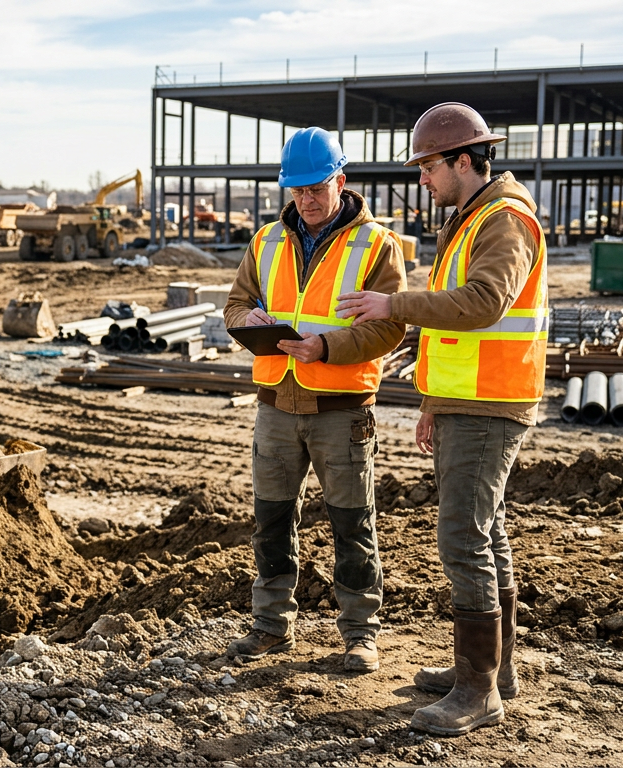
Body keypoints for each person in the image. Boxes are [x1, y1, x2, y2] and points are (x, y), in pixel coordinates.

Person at [336, 102, 548, 736]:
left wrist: (393, 304)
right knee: (488, 532)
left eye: (428, 167)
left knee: (463, 538)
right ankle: (496, 672)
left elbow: (483, 303)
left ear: (462, 160)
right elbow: (455, 322)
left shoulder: (504, 220)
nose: (422, 179)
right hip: (466, 399)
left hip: (490, 402)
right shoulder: (471, 217)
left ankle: (477, 691)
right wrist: (432, 401)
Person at [224, 127, 408, 672]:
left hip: (341, 409)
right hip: (275, 406)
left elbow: (390, 327)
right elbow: (235, 306)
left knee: (352, 523)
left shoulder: (377, 245)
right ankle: (271, 625)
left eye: (316, 188)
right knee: (271, 520)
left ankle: (360, 633)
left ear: (340, 182)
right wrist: (249, 321)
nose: (306, 200)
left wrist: (325, 347)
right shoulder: (266, 241)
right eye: (298, 190)